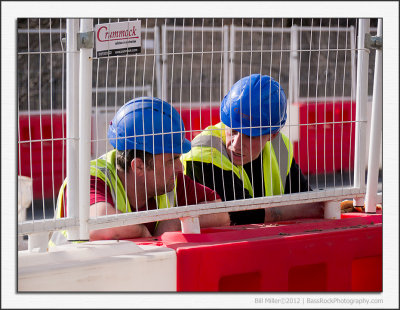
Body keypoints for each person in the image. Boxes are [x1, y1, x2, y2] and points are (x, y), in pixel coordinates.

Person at [50, 97, 230, 246]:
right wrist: (143, 232)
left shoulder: (171, 180)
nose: (180, 167)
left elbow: (221, 213)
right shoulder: (88, 178)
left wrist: (175, 221)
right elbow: (102, 226)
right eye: (172, 160)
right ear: (138, 166)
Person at [181, 74, 324, 225]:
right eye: (234, 131)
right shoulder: (204, 152)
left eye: (250, 136)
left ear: (272, 135)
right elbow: (239, 214)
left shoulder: (280, 147)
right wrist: (304, 209)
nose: (236, 144)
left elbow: (304, 197)